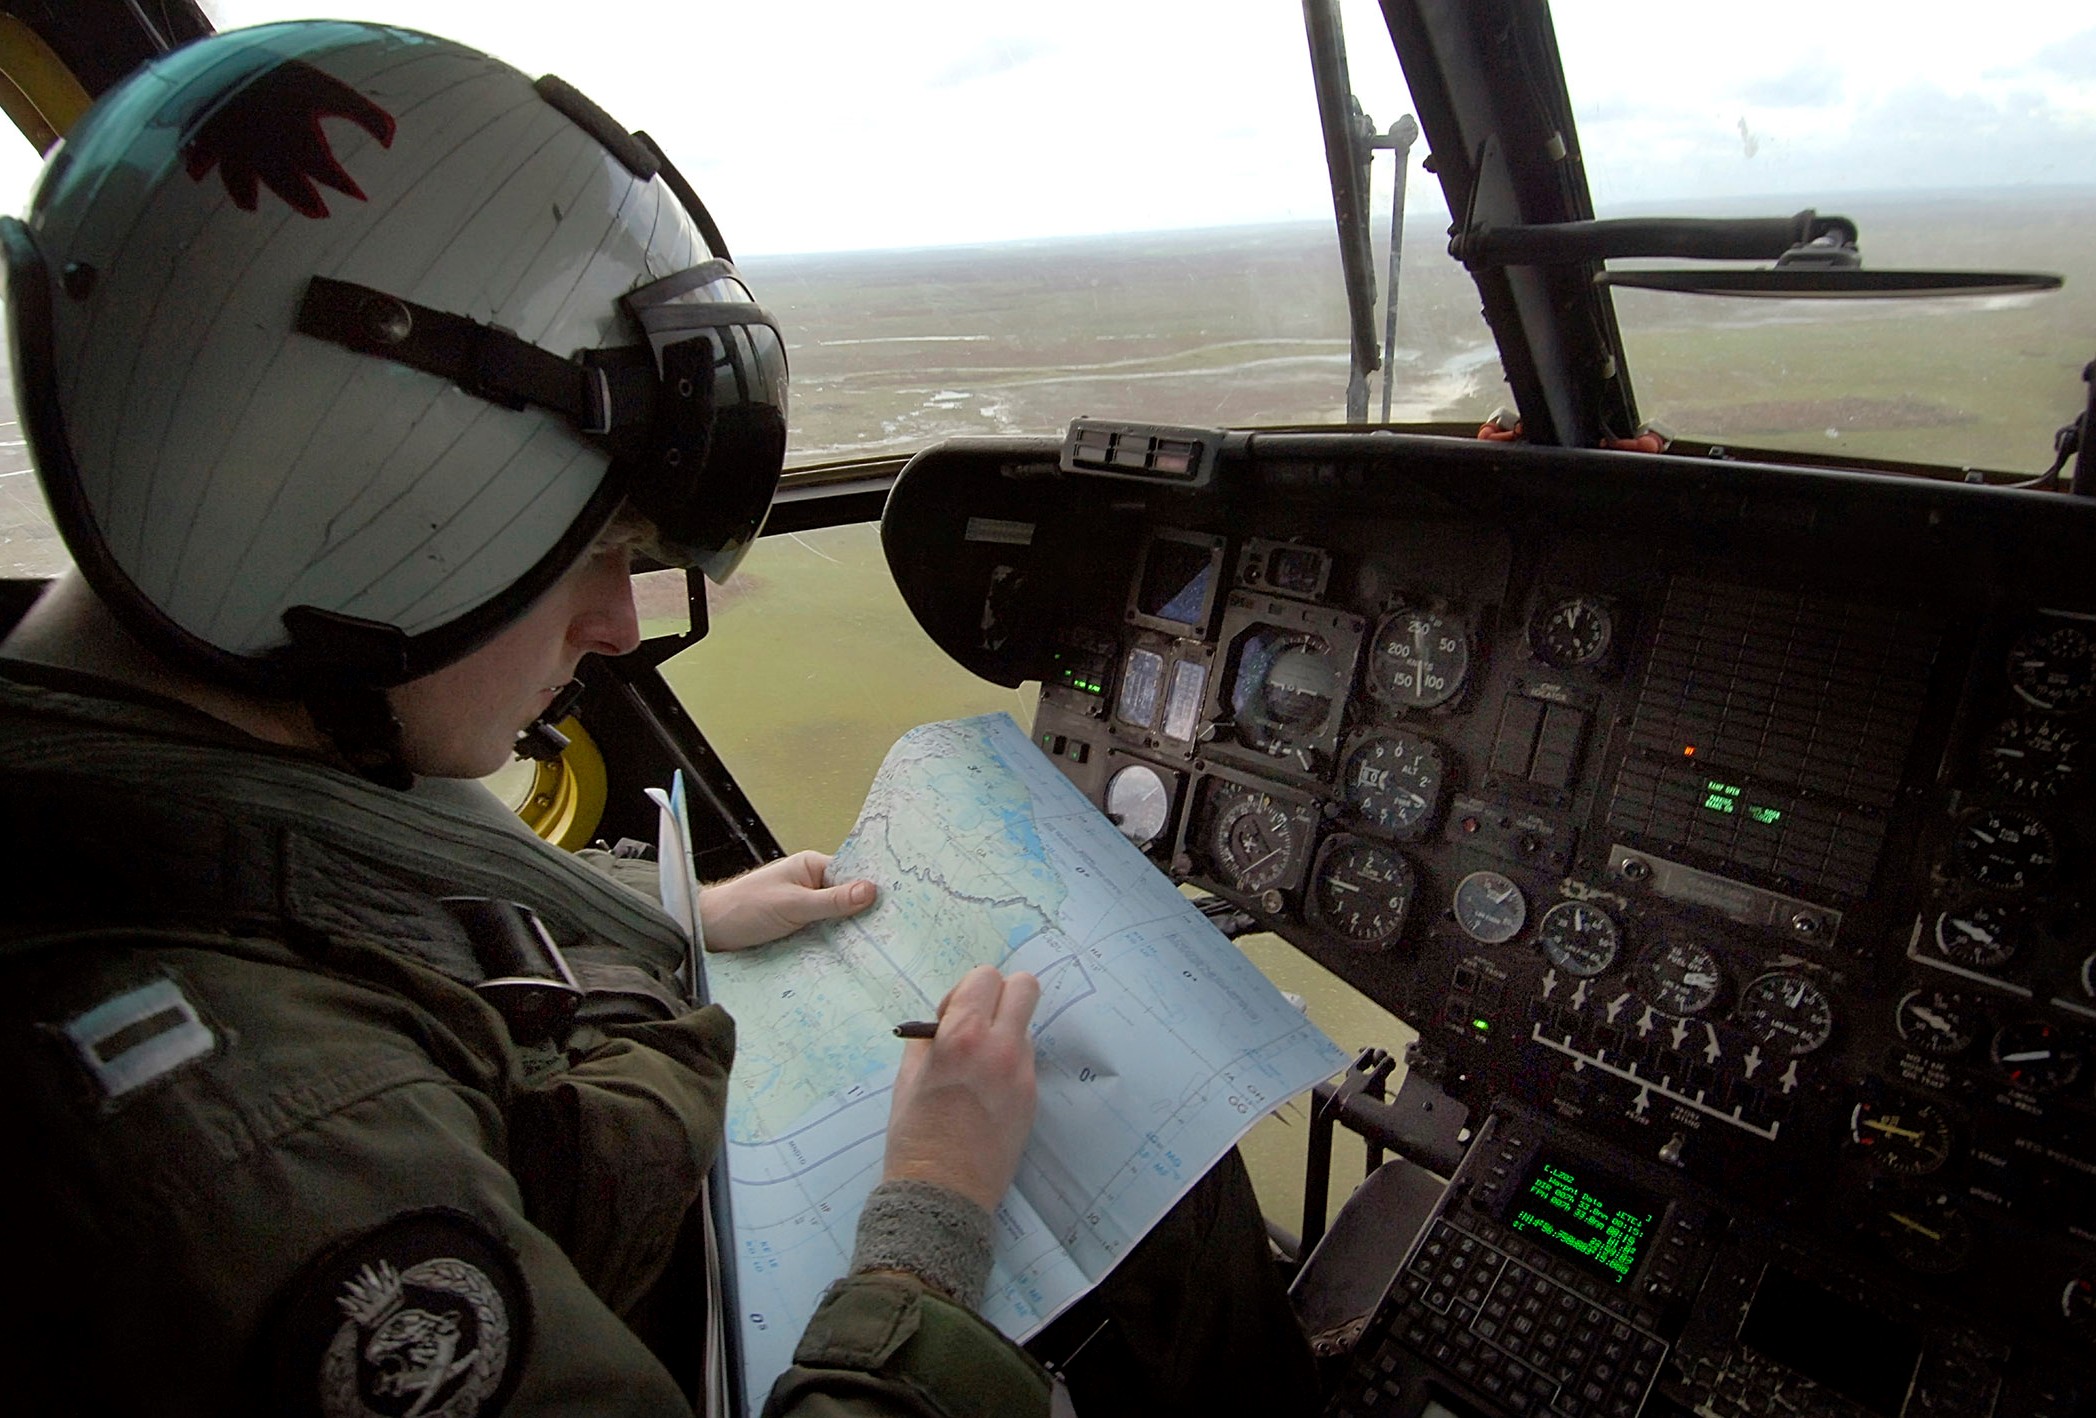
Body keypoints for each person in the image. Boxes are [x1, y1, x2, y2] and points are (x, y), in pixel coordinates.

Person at [0, 20, 1317, 1417]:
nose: (621, 624)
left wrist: (667, 913)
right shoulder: (262, 1166)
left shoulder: (194, 764)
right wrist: (932, 1213)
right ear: (344, 521)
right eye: (590, 554)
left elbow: (342, 907)